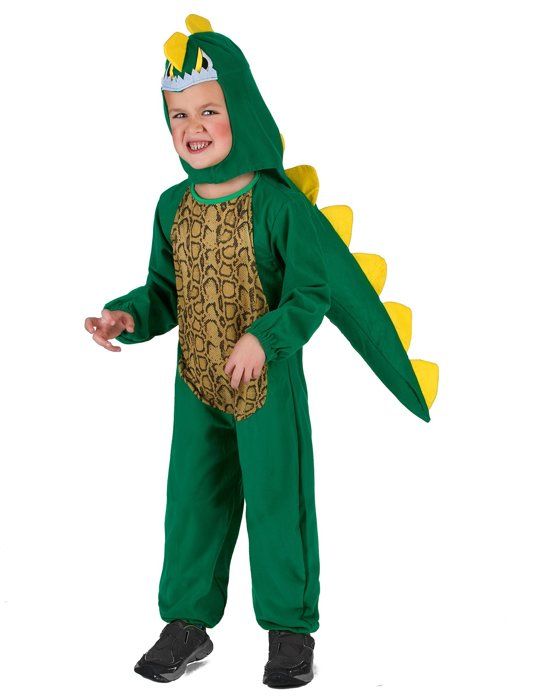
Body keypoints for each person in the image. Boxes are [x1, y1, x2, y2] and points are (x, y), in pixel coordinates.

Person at [85, 13, 438, 689]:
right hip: (196, 384)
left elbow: (311, 294)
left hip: (267, 387)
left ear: (239, 111)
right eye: (178, 114)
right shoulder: (171, 206)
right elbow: (165, 291)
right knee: (192, 504)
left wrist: (263, 337)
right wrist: (126, 315)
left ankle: (289, 630)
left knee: (280, 502)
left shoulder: (278, 206)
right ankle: (187, 624)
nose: (192, 126)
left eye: (208, 110)